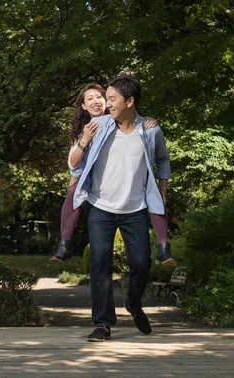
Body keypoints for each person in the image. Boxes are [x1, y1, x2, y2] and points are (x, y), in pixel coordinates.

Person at [71, 75, 171, 341]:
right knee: (99, 262)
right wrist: (81, 141)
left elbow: (162, 160)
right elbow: (74, 162)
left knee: (141, 262)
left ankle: (133, 303)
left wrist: (162, 190)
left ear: (130, 101)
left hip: (135, 207)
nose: (107, 103)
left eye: (112, 99)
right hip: (100, 207)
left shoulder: (150, 131)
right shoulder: (99, 125)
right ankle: (102, 324)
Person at [50, 83, 176, 266]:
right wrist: (85, 139)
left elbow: (131, 118)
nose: (98, 102)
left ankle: (164, 248)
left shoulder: (119, 120)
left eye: (101, 98)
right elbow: (74, 165)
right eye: (90, 99)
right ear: (83, 106)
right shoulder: (87, 128)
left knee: (156, 196)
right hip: (85, 175)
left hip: (127, 191)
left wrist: (146, 121)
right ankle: (65, 244)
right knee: (73, 192)